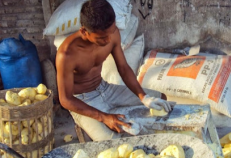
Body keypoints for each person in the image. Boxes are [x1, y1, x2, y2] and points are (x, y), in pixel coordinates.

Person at [56, 0, 175, 141]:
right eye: (101, 38)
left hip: (106, 89)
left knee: (160, 100)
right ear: (84, 31)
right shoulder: (67, 54)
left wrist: (144, 97)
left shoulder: (112, 34)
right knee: (112, 143)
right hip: (83, 101)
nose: (108, 40)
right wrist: (104, 117)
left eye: (111, 32)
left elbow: (123, 68)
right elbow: (65, 99)